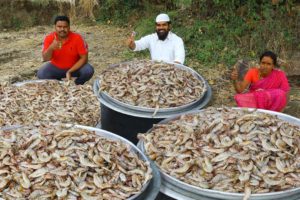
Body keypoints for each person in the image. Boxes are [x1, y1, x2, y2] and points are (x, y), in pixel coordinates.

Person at [37, 15, 94, 85]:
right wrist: (51, 48)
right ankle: (58, 84)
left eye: (65, 27)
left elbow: (84, 58)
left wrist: (69, 71)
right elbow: (45, 58)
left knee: (88, 70)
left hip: (75, 68)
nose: (62, 29)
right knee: (41, 73)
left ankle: (77, 84)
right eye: (59, 27)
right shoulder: (49, 38)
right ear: (55, 27)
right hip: (56, 67)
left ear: (69, 27)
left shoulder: (78, 38)